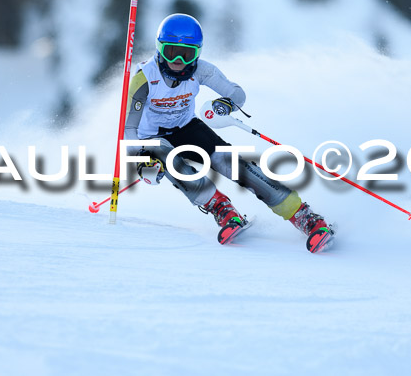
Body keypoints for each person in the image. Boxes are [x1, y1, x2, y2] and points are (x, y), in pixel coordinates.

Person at [124, 13, 333, 251]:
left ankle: (303, 215)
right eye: (172, 52)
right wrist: (141, 160)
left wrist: (226, 104)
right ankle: (221, 208)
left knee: (232, 163)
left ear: (198, 53)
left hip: (186, 127)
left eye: (188, 53)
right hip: (153, 138)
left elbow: (237, 93)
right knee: (171, 161)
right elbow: (129, 129)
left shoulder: (201, 70)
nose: (179, 60)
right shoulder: (143, 78)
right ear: (160, 49)